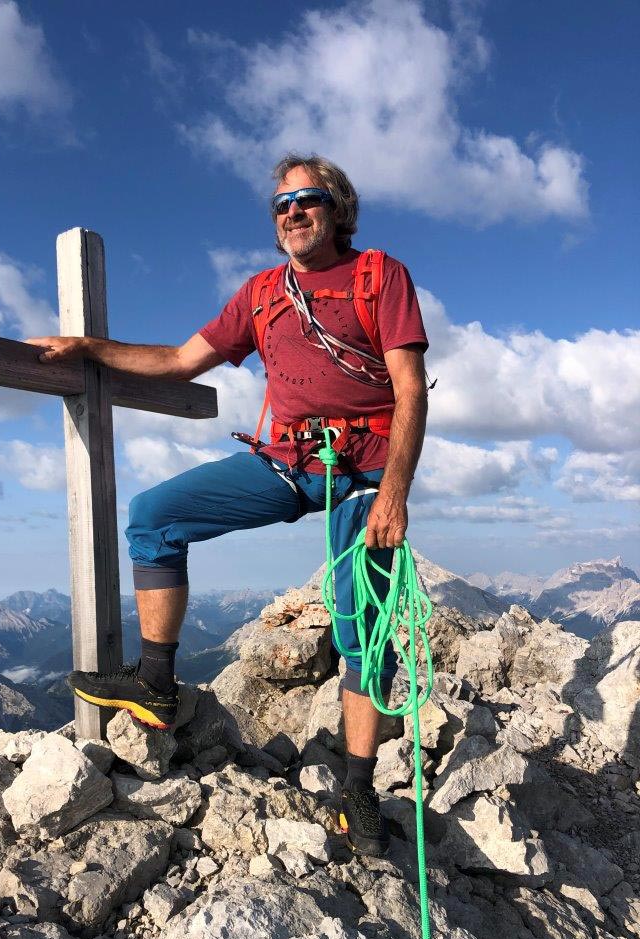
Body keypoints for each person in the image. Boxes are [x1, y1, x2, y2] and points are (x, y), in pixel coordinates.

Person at [25, 153, 429, 858]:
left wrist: (393, 494)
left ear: (338, 210)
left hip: (364, 470)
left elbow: (410, 388)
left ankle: (359, 788)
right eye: (282, 205)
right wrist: (88, 347)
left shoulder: (378, 276)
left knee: (361, 624)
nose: (293, 213)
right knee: (154, 515)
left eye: (308, 199)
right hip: (287, 462)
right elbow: (181, 360)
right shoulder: (263, 294)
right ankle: (155, 681)